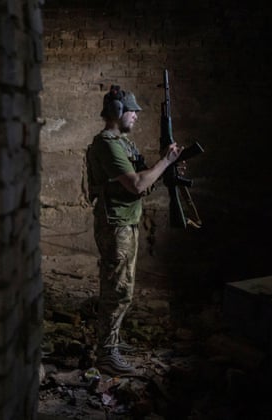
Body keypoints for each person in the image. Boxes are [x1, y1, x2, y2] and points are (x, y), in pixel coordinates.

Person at [85, 85, 183, 375]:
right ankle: (106, 354)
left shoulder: (124, 143)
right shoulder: (107, 143)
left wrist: (169, 168)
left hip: (127, 220)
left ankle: (112, 341)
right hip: (116, 224)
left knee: (123, 288)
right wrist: (165, 160)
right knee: (117, 290)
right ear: (117, 112)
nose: (137, 116)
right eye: (132, 111)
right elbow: (137, 184)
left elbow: (142, 181)